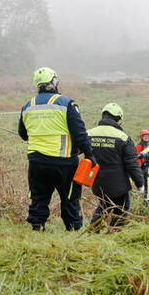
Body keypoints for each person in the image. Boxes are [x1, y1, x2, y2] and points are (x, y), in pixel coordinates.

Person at [18, 67, 95, 231]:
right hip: (64, 163)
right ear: (54, 83)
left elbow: (23, 134)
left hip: (37, 162)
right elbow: (79, 134)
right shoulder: (67, 103)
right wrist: (90, 154)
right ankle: (73, 230)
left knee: (39, 198)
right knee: (70, 199)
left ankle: (37, 229)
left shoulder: (27, 106)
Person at [87, 103, 144, 231]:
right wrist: (140, 183)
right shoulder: (123, 137)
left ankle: (92, 231)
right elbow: (132, 163)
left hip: (97, 182)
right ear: (118, 119)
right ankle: (115, 233)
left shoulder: (88, 133)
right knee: (121, 208)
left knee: (103, 206)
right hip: (118, 184)